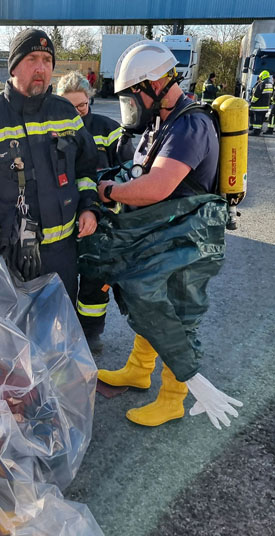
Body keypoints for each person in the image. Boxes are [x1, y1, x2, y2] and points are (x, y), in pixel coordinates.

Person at [96, 41, 238, 428]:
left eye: (132, 97)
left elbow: (156, 186)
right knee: (150, 303)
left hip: (187, 240)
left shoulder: (190, 124)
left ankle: (173, 398)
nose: (131, 106)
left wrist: (107, 192)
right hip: (164, 233)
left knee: (178, 313)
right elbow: (138, 167)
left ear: (154, 84)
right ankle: (140, 370)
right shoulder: (162, 120)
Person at [0, 28, 100, 304]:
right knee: (7, 340)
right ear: (13, 67)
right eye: (32, 59)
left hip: (60, 257)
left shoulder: (66, 114)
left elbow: (86, 168)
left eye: (47, 61)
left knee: (58, 338)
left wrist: (88, 206)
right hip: (3, 257)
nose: (41, 68)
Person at [57, 70, 133, 352]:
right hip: (62, 220)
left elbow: (129, 173)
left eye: (82, 105)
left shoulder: (109, 130)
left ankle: (90, 335)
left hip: (101, 222)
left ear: (90, 100)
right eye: (68, 107)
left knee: (94, 283)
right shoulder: (50, 128)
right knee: (63, 281)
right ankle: (61, 334)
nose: (77, 113)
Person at [250, 70, 273, 136]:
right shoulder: (271, 84)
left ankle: (256, 132)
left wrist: (252, 101)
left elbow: (256, 95)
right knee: (261, 120)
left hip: (258, 106)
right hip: (266, 106)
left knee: (257, 120)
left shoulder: (262, 84)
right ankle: (258, 131)